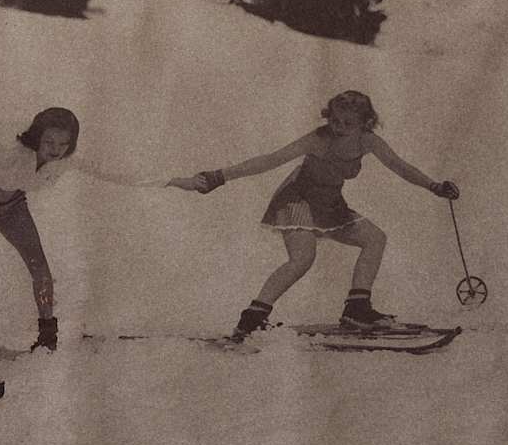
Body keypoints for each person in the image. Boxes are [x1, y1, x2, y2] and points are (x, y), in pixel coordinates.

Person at [170, 89, 459, 338]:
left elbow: (401, 167)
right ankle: (252, 319)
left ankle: (357, 309)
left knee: (375, 239)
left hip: (329, 204)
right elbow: (270, 160)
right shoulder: (319, 139)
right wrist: (218, 177)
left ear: (365, 123)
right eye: (334, 119)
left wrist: (434, 186)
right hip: (298, 199)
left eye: (348, 122)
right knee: (302, 259)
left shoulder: (369, 141)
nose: (339, 126)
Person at [0, 106, 139, 375]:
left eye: (63, 144)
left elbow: (112, 171)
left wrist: (174, 181)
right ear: (37, 136)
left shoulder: (65, 160)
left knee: (39, 266)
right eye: (49, 142)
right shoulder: (8, 150)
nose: (56, 150)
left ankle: (47, 338)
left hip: (11, 205)